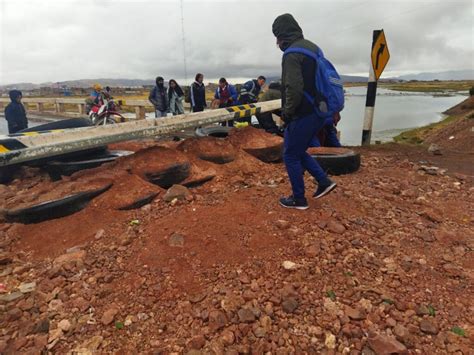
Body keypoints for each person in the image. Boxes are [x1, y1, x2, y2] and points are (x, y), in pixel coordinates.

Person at [272, 13, 337, 210]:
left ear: (282, 34)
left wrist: (287, 113)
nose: (276, 41)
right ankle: (323, 181)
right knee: (296, 149)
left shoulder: (292, 53)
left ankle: (299, 199)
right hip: (320, 111)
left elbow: (293, 88)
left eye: (276, 36)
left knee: (290, 155)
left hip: (304, 112)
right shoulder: (313, 48)